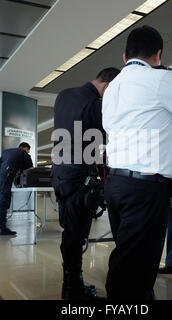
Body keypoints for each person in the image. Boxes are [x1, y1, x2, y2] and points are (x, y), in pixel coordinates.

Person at [102, 25, 172, 300]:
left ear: (125, 56)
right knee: (136, 272)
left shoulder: (112, 87)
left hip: (114, 184)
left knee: (127, 258)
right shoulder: (160, 80)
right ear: (158, 55)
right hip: (144, 188)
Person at [51, 67, 120, 300]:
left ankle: (70, 285)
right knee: (76, 233)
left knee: (69, 230)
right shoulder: (95, 105)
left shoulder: (63, 95)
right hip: (79, 176)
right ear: (108, 86)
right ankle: (73, 289)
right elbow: (110, 132)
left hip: (60, 173)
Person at [0, 142, 33, 236]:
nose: (28, 152)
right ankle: (2, 228)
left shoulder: (6, 152)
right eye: (28, 151)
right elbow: (30, 169)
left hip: (0, 176)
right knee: (4, 201)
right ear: (25, 149)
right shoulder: (24, 154)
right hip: (7, 176)